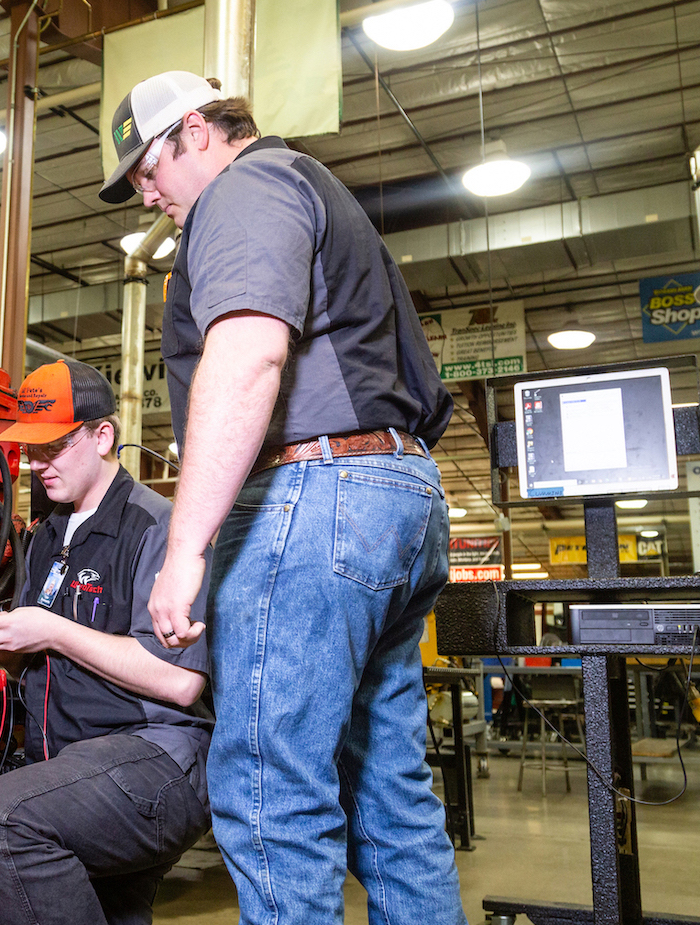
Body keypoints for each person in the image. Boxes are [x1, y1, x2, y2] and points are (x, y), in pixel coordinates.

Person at [98, 71, 462, 925]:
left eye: (149, 168)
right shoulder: (312, 187)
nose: (147, 196)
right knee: (389, 795)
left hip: (314, 494)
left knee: (270, 795)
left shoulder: (246, 187)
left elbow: (251, 353)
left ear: (198, 130)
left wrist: (184, 548)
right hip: (395, 492)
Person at [0, 358, 213, 925]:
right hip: (74, 763)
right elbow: (52, 664)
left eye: (55, 446)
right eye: (31, 448)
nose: (37, 464)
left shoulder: (157, 527)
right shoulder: (46, 539)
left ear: (103, 436)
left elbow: (180, 678)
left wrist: (50, 630)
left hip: (155, 757)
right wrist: (6, 648)